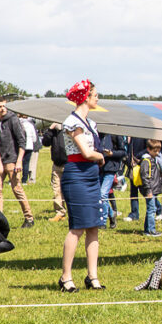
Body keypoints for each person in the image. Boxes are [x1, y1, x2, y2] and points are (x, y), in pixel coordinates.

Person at [58, 80, 106, 292]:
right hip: (77, 175)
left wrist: (97, 157)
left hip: (91, 176)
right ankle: (66, 277)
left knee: (93, 226)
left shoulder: (91, 123)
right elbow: (86, 152)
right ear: (85, 97)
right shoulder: (72, 122)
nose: (97, 98)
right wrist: (101, 156)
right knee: (77, 227)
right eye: (95, 94)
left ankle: (92, 276)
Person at [0, 97, 35, 228]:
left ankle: (29, 218)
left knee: (17, 189)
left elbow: (21, 142)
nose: (2, 108)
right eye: (0, 106)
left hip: (12, 160)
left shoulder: (13, 119)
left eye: (4, 106)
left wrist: (19, 162)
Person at [98, 133, 126, 229]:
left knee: (103, 194)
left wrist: (112, 154)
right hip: (99, 168)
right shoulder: (98, 134)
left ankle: (103, 222)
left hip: (110, 168)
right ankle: (111, 213)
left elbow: (123, 152)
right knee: (99, 195)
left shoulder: (116, 134)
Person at [42, 123, 69, 222]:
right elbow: (45, 142)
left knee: (69, 190)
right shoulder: (53, 131)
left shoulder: (69, 128)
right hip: (56, 164)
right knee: (56, 189)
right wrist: (50, 129)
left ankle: (72, 212)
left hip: (68, 164)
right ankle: (60, 212)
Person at [138, 140, 162, 237]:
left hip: (153, 189)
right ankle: (151, 230)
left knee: (150, 209)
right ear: (148, 149)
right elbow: (145, 177)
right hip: (149, 190)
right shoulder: (146, 161)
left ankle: (146, 230)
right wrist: (148, 191)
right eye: (155, 151)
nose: (157, 153)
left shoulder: (154, 159)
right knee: (152, 210)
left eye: (158, 151)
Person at [20, 116, 38, 183]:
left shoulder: (19, 124)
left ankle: (14, 179)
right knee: (26, 163)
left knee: (18, 162)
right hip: (29, 146)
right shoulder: (31, 125)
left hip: (20, 146)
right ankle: (24, 180)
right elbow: (34, 138)